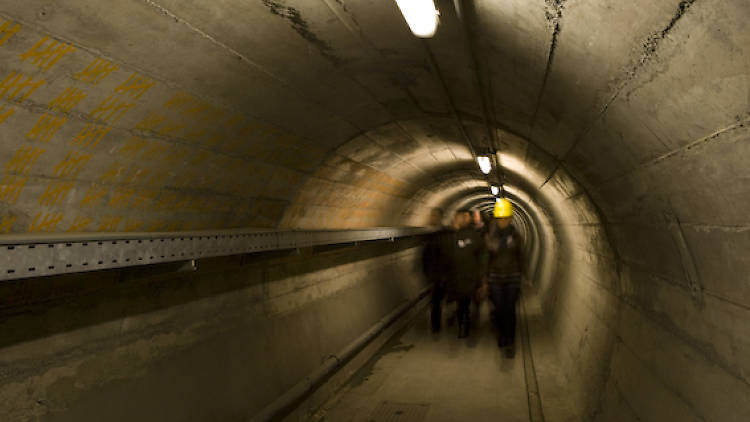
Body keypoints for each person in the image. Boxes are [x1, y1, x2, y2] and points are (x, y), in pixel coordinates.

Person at [483, 199, 525, 356]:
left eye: (505, 218)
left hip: (512, 278)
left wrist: (523, 277)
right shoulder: (490, 238)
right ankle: (501, 334)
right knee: (499, 309)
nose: (502, 221)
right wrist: (484, 280)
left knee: (510, 310)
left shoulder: (516, 237)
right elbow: (486, 259)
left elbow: (521, 257)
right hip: (495, 279)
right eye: (499, 218)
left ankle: (510, 340)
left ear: (510, 219)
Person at [443, 208, 484, 338]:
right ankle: (462, 326)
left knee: (469, 303)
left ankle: (468, 324)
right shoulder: (451, 237)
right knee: (462, 304)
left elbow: (482, 257)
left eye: (465, 217)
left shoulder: (475, 236)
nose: (463, 219)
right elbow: (446, 257)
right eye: (460, 217)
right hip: (457, 277)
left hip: (472, 277)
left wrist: (482, 278)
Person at [422, 208, 449, 333]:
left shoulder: (445, 234)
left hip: (443, 273)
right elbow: (425, 255)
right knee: (435, 301)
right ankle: (435, 325)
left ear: (439, 218)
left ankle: (445, 320)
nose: (432, 218)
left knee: (442, 298)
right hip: (434, 274)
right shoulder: (429, 235)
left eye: (434, 216)